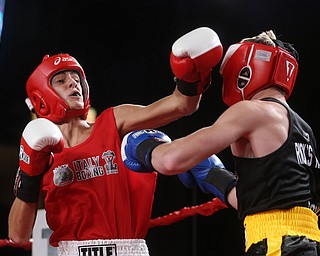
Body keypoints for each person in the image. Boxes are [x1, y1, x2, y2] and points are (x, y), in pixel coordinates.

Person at [7, 27, 223, 256]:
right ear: (41, 98)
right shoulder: (39, 153)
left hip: (127, 249)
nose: (74, 84)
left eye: (76, 78)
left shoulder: (112, 122)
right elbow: (18, 235)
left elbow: (181, 105)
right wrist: (29, 177)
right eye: (61, 80)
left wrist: (190, 75)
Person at [122, 30, 320, 255]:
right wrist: (214, 174)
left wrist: (143, 145)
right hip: (303, 243)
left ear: (246, 68)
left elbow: (171, 160)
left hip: (276, 245)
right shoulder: (303, 128)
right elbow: (270, 202)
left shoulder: (251, 111)